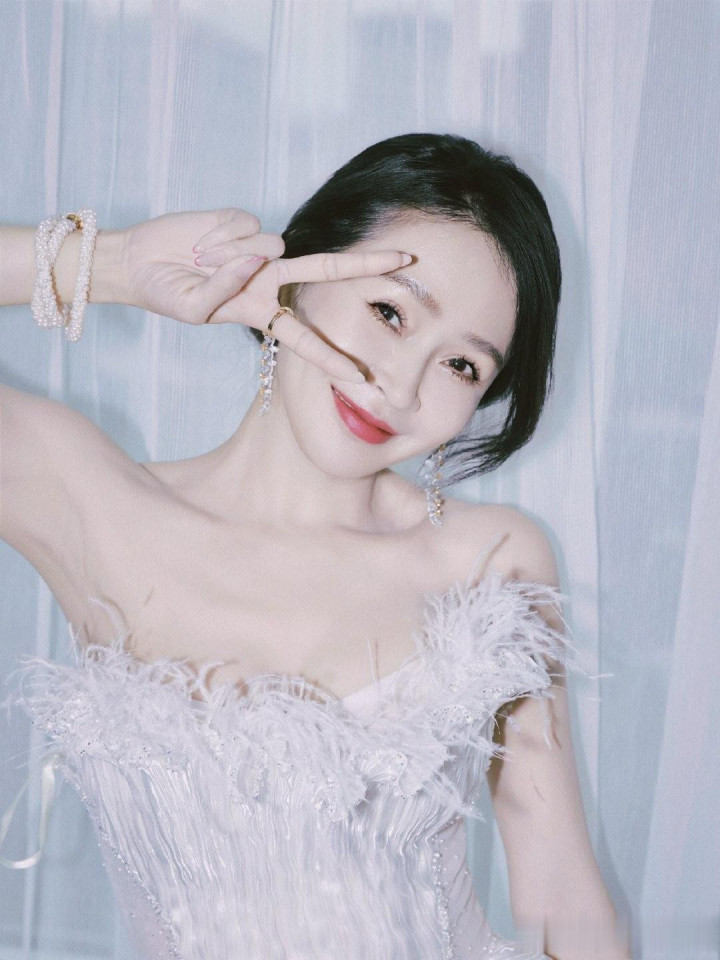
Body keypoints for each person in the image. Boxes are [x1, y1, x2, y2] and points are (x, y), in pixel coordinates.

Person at [0, 133, 630, 959]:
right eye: (390, 312)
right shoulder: (91, 502)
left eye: (462, 367)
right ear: (298, 274)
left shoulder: (489, 562)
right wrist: (113, 266)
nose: (399, 386)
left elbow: (562, 897)